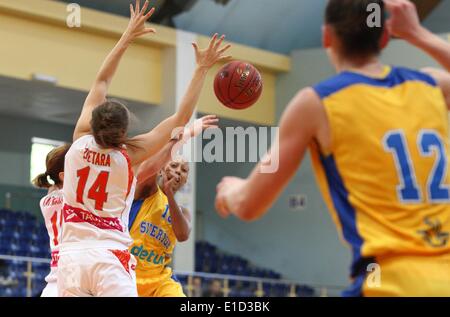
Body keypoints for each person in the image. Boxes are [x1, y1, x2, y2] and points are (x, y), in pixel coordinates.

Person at [215, 0, 450, 296]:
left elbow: (250, 204)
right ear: (385, 37)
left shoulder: (317, 102)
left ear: (327, 36)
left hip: (387, 278)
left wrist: (231, 190)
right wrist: (418, 33)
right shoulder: (430, 85)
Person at [57, 0, 230, 297]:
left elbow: (102, 80)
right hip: (108, 258)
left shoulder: (79, 137)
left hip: (71, 258)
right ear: (123, 133)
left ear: (93, 121)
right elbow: (180, 118)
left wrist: (126, 36)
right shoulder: (128, 158)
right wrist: (201, 68)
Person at [129, 115, 219, 297]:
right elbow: (152, 163)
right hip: (127, 273)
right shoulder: (147, 189)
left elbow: (183, 234)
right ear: (162, 169)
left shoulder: (182, 211)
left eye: (184, 170)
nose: (178, 171)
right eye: (174, 166)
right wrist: (186, 135)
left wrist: (170, 195)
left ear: (186, 179)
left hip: (159, 281)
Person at [32, 144, 71, 297]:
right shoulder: (73, 198)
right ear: (63, 174)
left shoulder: (45, 201)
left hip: (54, 282)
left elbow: (53, 190)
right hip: (72, 281)